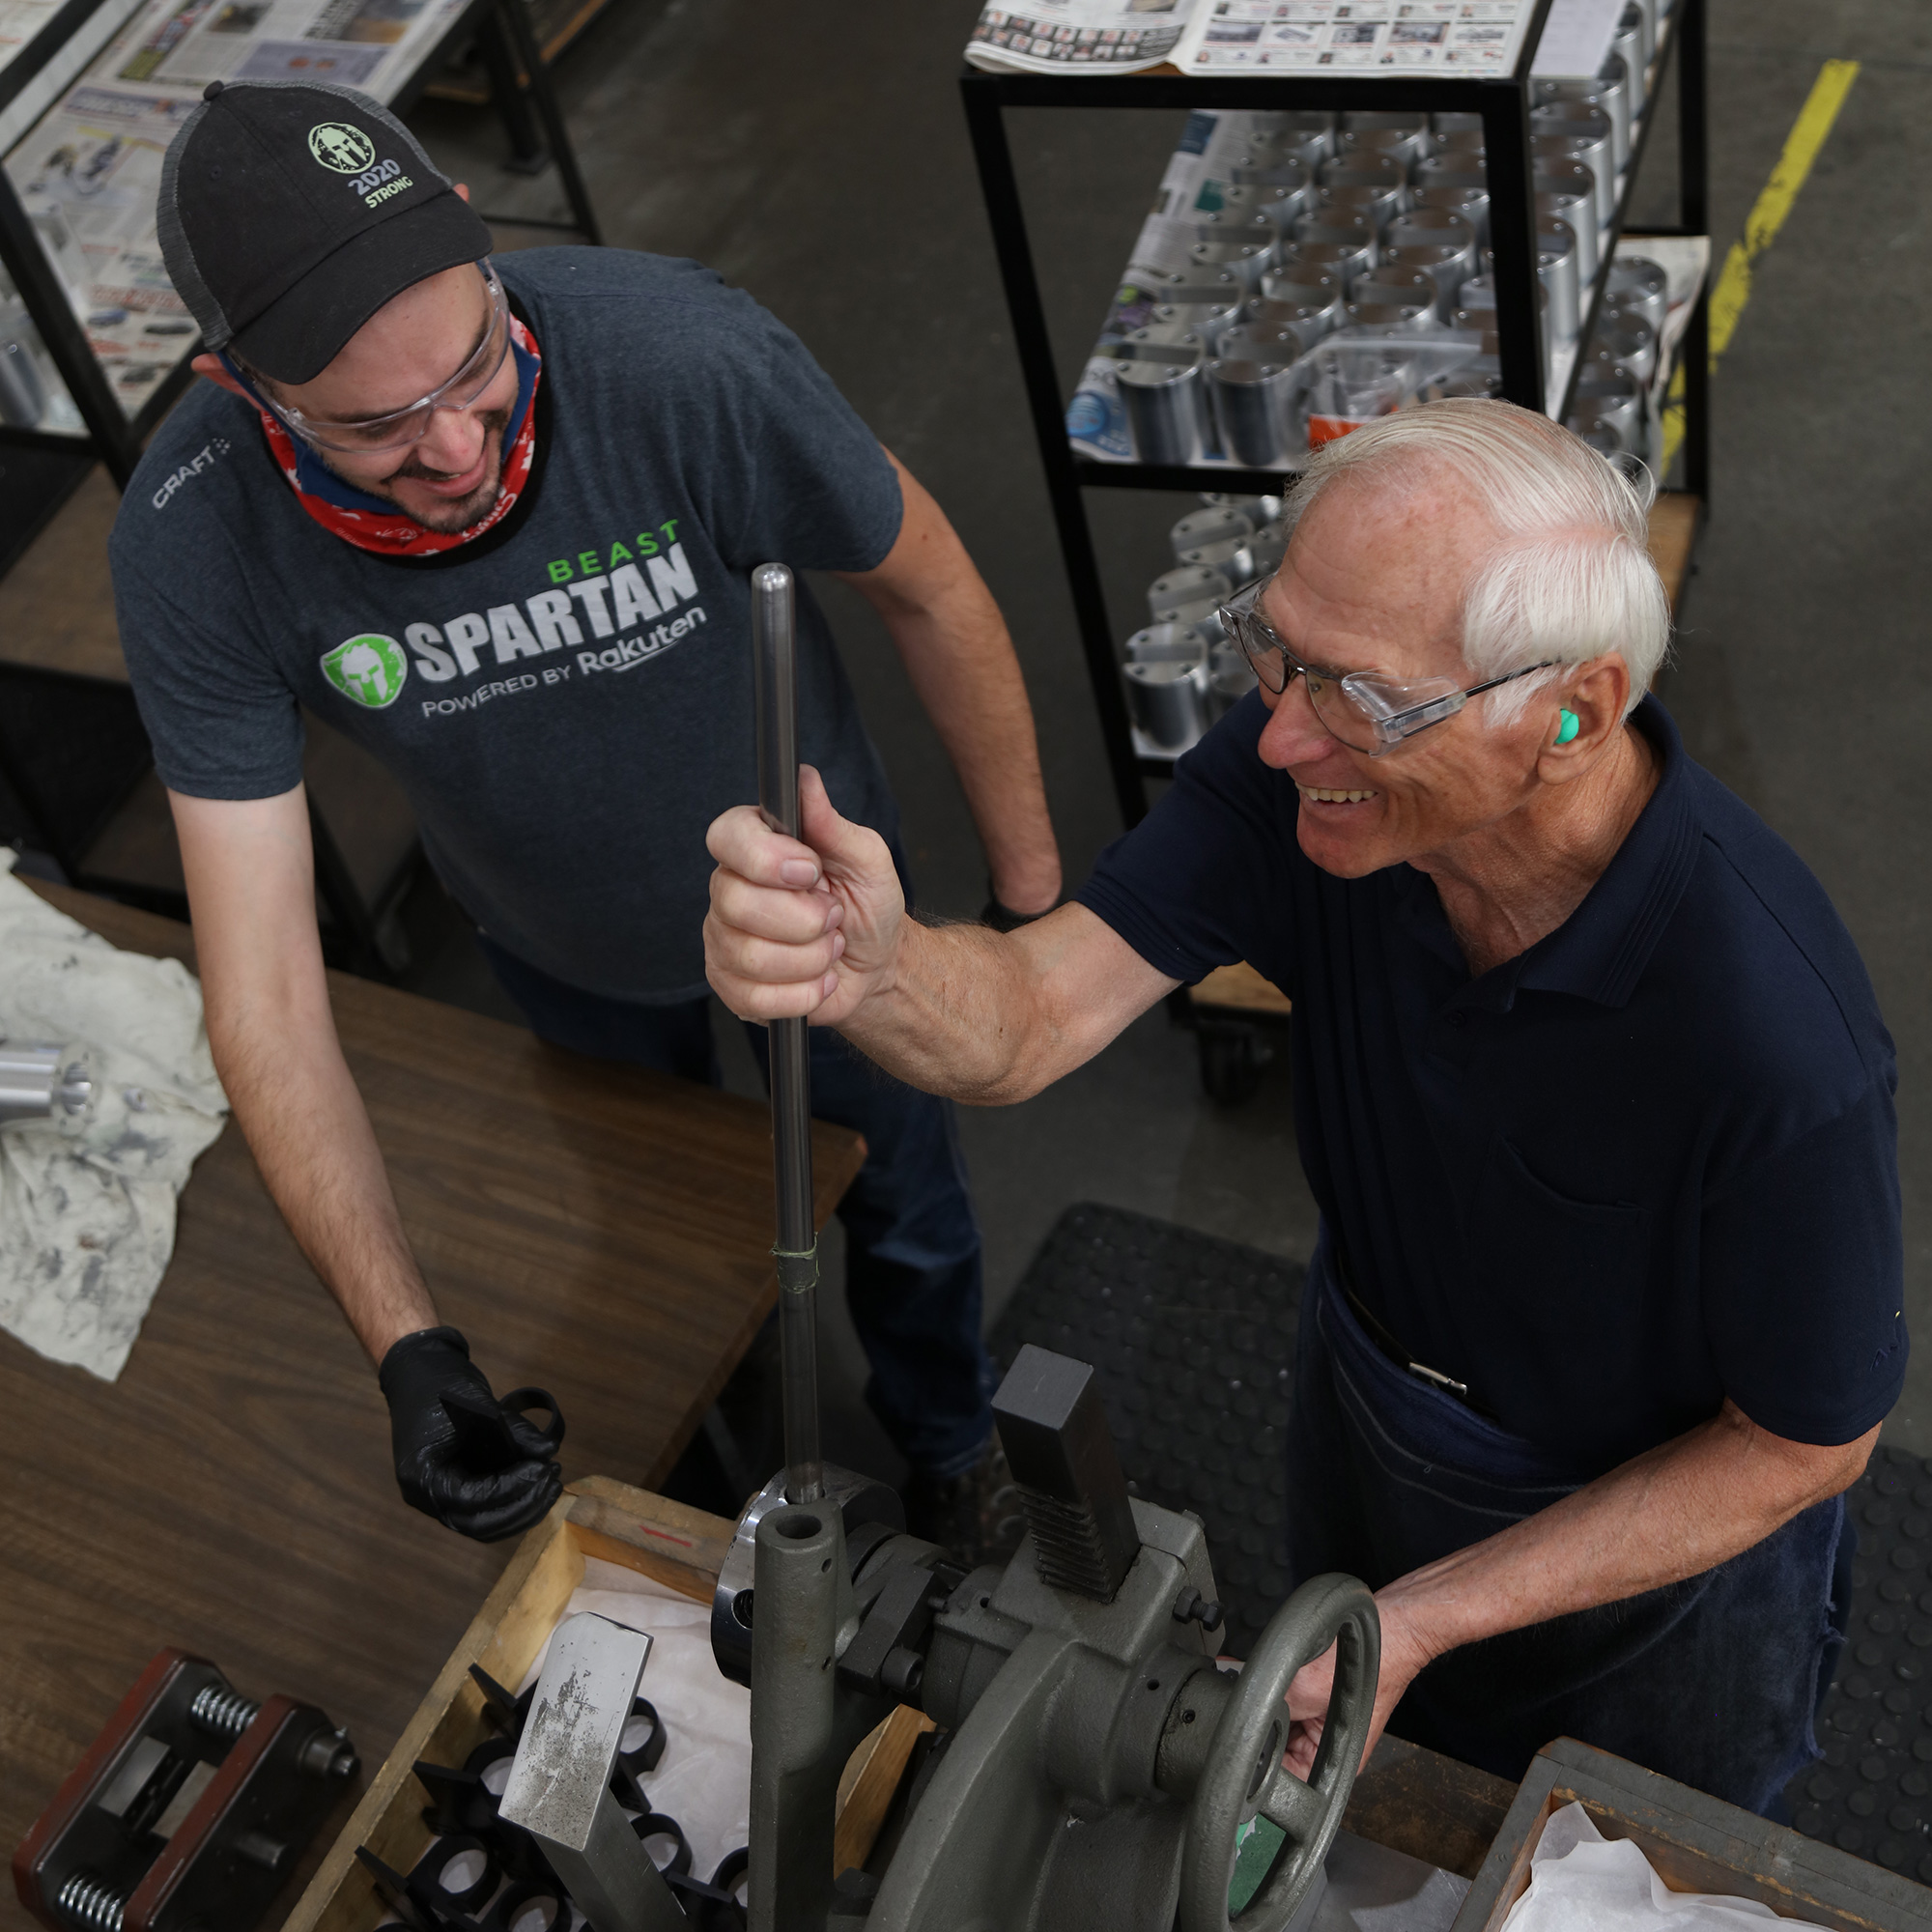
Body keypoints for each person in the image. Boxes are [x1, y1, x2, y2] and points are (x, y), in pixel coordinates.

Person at [704, 398, 1904, 1815]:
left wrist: (1429, 1615)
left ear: (1568, 715)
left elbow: (1806, 1442)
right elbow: (1032, 1018)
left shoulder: (1770, 1037)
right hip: (1373, 1399)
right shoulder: (1321, 785)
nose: (1279, 739)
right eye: (1274, 650)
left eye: (1358, 696)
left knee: (1623, 1853)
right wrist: (877, 967)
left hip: (1642, 1526)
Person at [111, 79, 1062, 1550]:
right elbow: (267, 991)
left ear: (482, 248)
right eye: (377, 428)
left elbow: (930, 589)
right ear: (243, 388)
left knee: (909, 1212)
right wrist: (407, 1348)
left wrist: (1029, 912)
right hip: (560, 941)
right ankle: (740, 1461)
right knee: (671, 1234)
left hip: (825, 916)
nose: (456, 448)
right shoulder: (193, 538)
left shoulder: (682, 358)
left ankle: (950, 1440)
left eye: (475, 369)